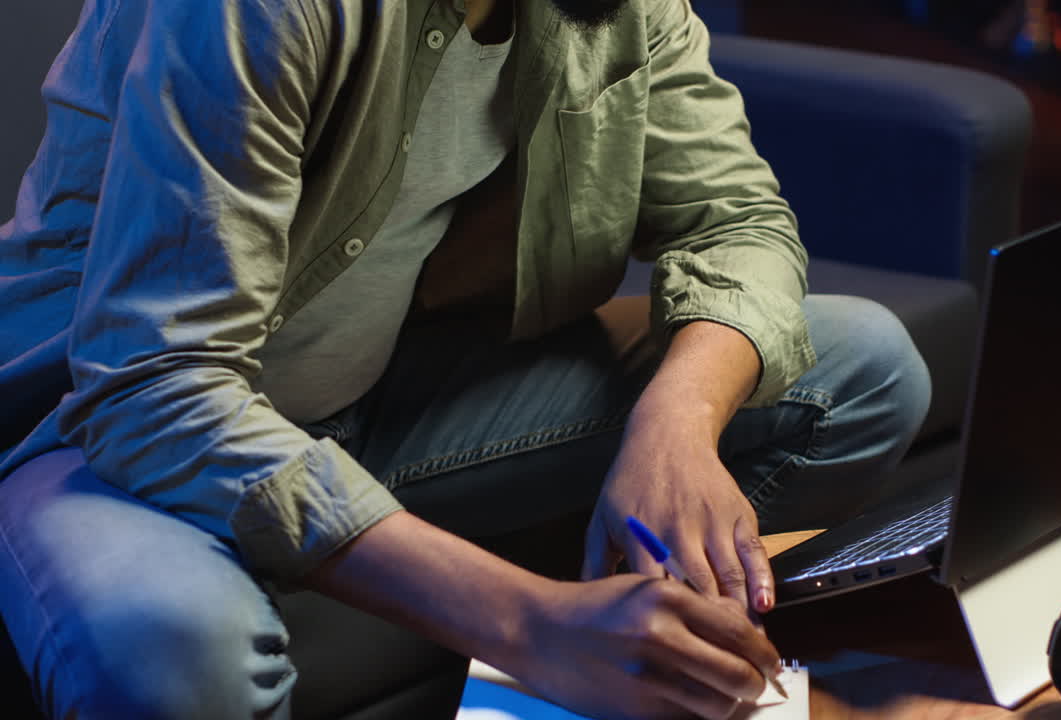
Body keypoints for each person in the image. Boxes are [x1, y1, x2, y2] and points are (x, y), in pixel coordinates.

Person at [0, 0, 931, 716]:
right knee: (174, 650)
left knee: (861, 368)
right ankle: (553, 631)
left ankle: (629, 656)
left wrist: (676, 426)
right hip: (99, 432)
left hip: (373, 395)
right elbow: (156, 381)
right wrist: (529, 622)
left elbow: (740, 223)